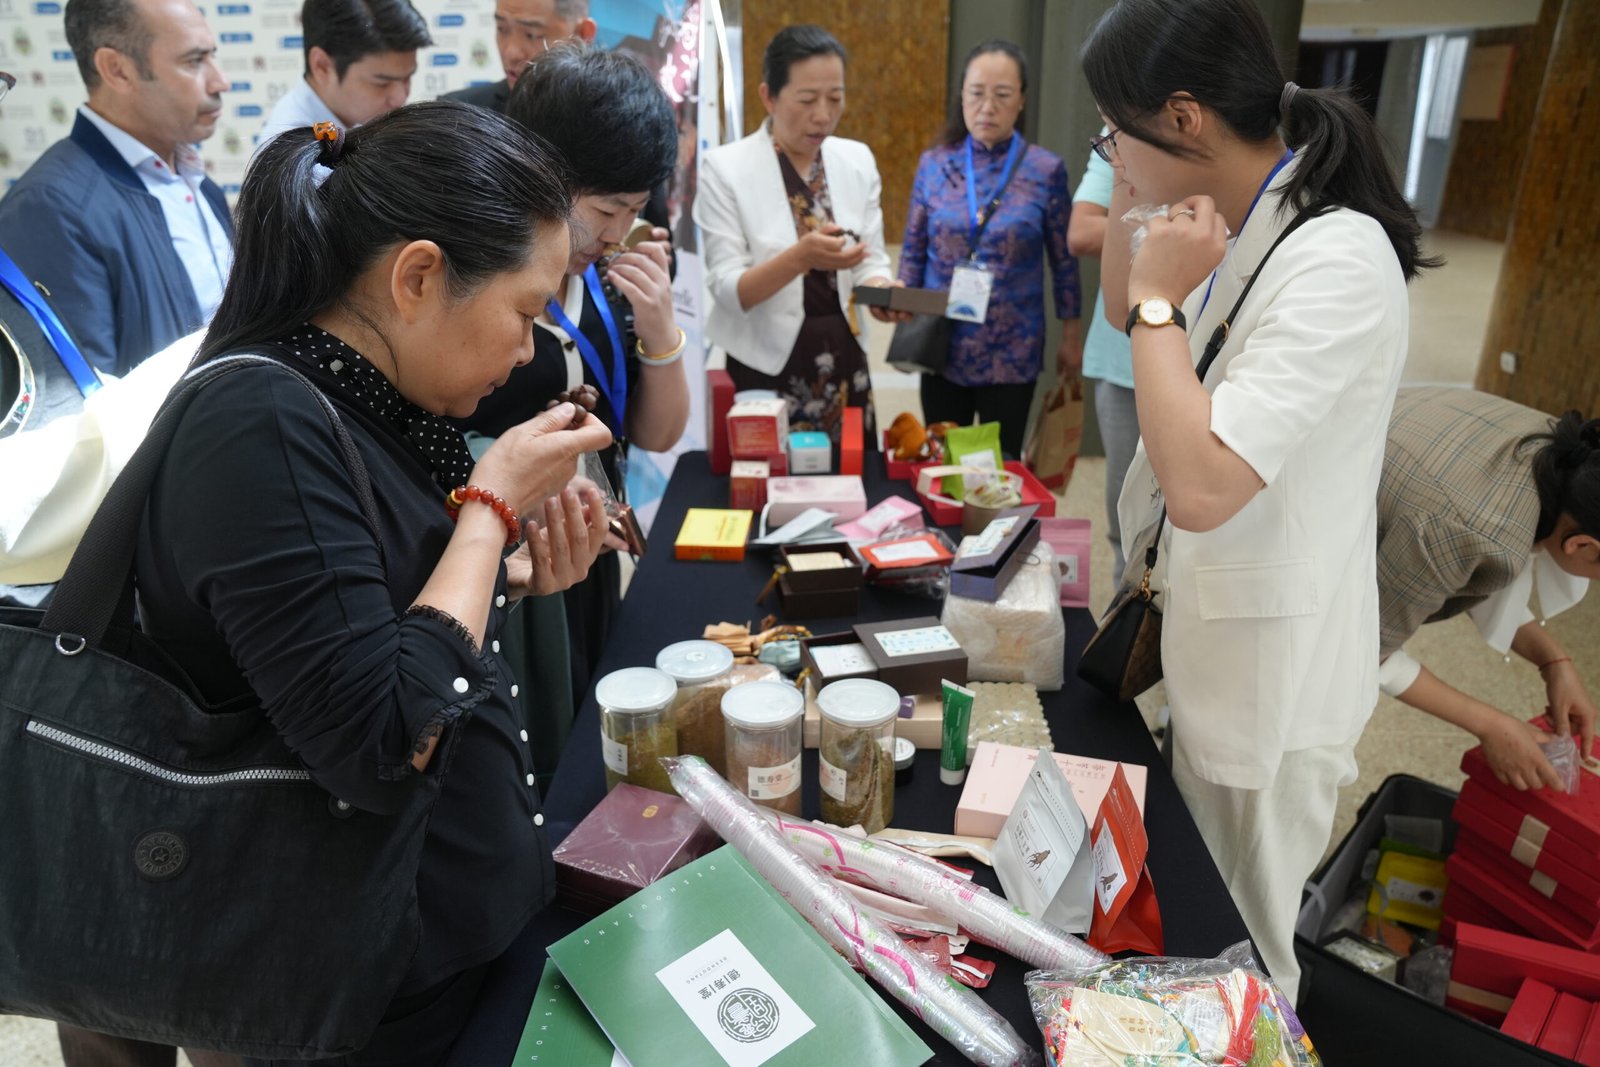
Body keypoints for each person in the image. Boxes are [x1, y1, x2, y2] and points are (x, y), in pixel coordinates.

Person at [120, 101, 610, 1066]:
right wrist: (491, 508)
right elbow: (381, 736)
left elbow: (370, 619)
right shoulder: (261, 423)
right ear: (419, 275)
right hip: (348, 993)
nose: (528, 349)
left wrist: (503, 575)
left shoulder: (364, 398)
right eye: (523, 311)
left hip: (433, 947)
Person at [1084, 0, 1432, 999]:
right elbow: (1143, 343)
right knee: (1201, 912)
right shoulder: (1242, 227)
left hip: (1272, 675)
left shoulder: (1337, 258)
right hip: (1214, 625)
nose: (1112, 155)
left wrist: (1158, 298)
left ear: (1184, 119)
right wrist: (1150, 276)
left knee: (1244, 954)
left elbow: (1198, 481)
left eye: (1115, 131)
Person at [461, 45, 687, 764]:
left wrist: (662, 332)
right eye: (605, 210)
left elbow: (654, 431)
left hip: (587, 560)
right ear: (540, 175)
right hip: (511, 573)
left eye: (634, 209)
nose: (620, 232)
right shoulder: (482, 283)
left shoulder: (609, 282)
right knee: (537, 748)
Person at [1378, 387, 1599, 789]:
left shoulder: (1558, 449)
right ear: (1582, 544)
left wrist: (1555, 661)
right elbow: (1364, 651)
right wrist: (1491, 725)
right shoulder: (1476, 532)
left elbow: (1470, 567)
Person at [0, 0, 233, 378]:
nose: (221, 81)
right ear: (117, 70)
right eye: (194, 61)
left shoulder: (197, 182)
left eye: (213, 56)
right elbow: (86, 415)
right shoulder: (49, 208)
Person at [696, 24, 894, 442]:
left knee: (851, 479)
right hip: (766, 361)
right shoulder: (725, 169)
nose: (823, 114)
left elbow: (871, 257)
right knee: (766, 481)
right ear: (768, 96)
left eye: (835, 99)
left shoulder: (855, 159)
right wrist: (800, 258)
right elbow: (729, 289)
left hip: (844, 354)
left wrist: (882, 289)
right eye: (807, 100)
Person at [898, 39, 1081, 460]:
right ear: (961, 94)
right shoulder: (934, 164)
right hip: (942, 341)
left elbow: (1065, 262)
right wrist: (900, 304)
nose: (987, 106)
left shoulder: (1045, 169)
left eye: (1002, 95)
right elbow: (912, 250)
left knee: (1001, 465)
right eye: (977, 93)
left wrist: (1070, 336)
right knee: (943, 458)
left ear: (1021, 101)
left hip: (1013, 346)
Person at [1068, 132, 1137, 581]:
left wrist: (1134, 223)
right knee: (1125, 519)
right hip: (1123, 360)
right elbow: (1083, 231)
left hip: (1207, 362)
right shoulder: (1115, 149)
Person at [252, 0, 431, 150]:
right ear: (322, 66)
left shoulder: (357, 118)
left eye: (408, 78)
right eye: (381, 83)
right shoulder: (293, 158)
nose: (400, 99)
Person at [442, 0, 594, 114]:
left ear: (583, 34)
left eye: (532, 35)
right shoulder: (458, 113)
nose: (511, 53)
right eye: (502, 29)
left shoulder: (611, 119)